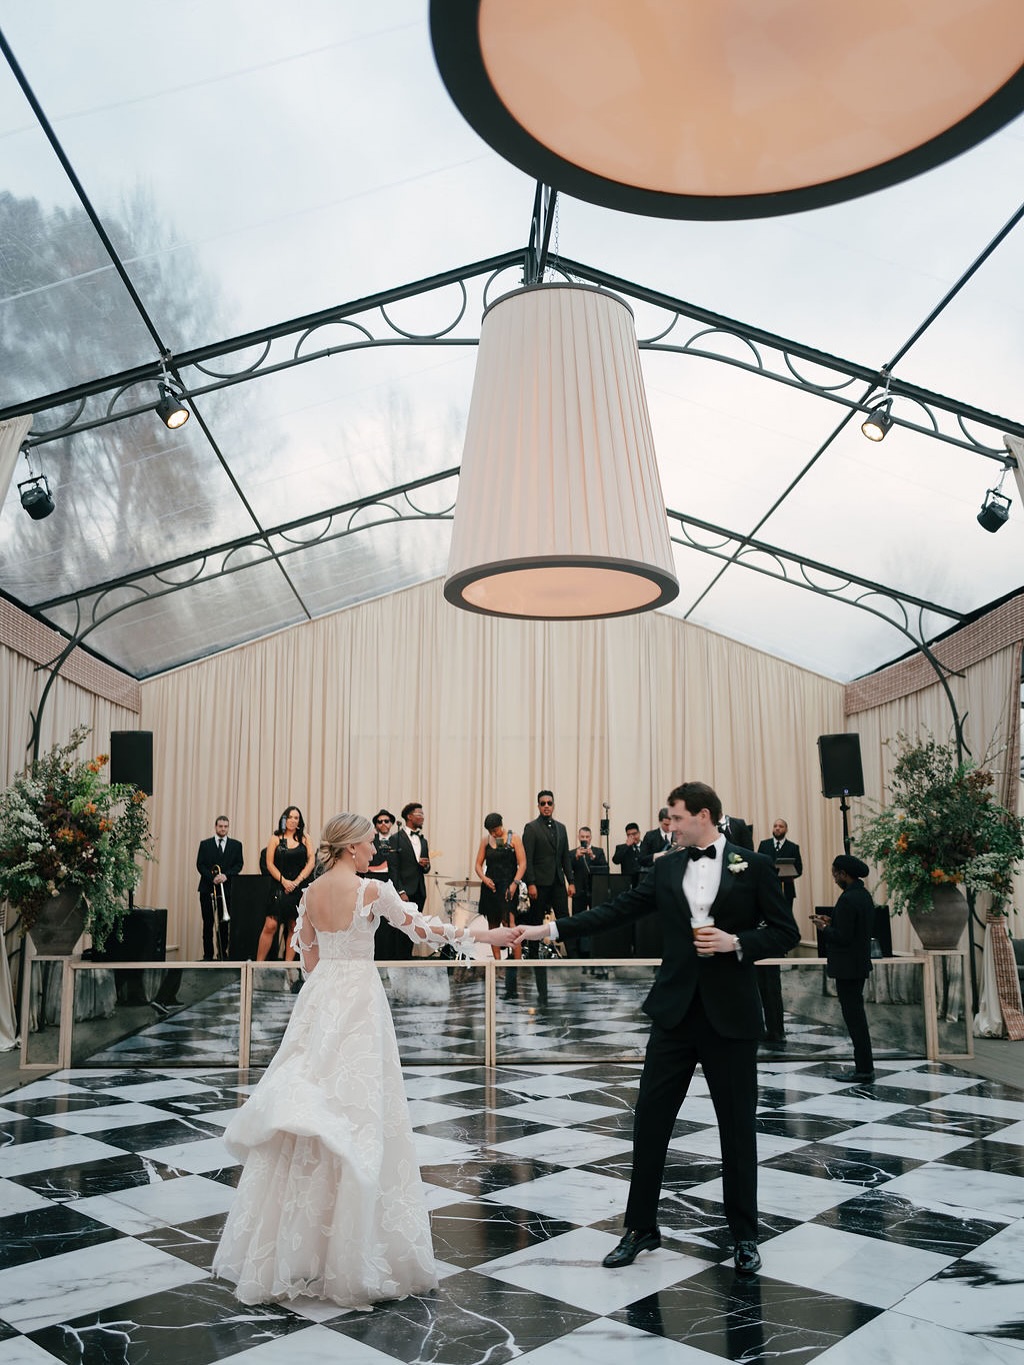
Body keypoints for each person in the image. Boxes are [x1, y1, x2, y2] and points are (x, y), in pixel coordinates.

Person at [213, 812, 516, 1309]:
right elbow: (425, 929)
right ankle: (351, 1249)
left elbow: (307, 959)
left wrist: (330, 979)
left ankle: (297, 1249)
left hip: (320, 1002)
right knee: (358, 1115)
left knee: (311, 1113)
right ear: (352, 847)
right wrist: (487, 938)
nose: (376, 847)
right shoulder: (372, 891)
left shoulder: (309, 894)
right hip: (358, 1004)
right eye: (369, 842)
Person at [518, 781, 798, 1275]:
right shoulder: (666, 864)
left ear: (704, 816)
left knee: (737, 1129)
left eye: (676, 817)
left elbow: (785, 932)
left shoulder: (752, 866)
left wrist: (736, 942)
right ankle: (641, 1227)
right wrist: (550, 929)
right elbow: (616, 911)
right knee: (649, 1123)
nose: (669, 825)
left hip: (731, 1018)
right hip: (673, 1014)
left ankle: (745, 1234)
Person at [812, 855, 876, 1084]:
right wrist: (832, 921)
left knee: (855, 1019)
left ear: (844, 874)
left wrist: (823, 928)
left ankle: (864, 1069)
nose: (834, 878)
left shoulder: (849, 898)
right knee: (856, 1017)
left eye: (835, 874)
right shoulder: (863, 895)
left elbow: (843, 937)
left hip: (848, 967)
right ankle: (865, 1067)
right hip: (858, 964)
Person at [521, 790, 574, 1005]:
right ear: (538, 805)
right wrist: (531, 882)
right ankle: (533, 958)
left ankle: (573, 959)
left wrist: (571, 881)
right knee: (535, 921)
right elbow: (528, 859)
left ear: (553, 805)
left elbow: (565, 858)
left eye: (549, 803)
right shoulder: (531, 828)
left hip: (557, 883)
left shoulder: (561, 828)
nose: (546, 806)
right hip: (539, 885)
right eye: (542, 803)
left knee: (566, 920)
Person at [755, 818, 802, 1044]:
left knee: (771, 988)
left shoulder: (793, 847)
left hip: (785, 890)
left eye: (781, 826)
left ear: (786, 829)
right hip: (769, 890)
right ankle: (766, 1028)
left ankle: (776, 1030)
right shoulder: (764, 845)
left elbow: (798, 868)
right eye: (774, 826)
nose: (777, 829)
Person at [256, 807, 315, 964]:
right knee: (270, 925)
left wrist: (296, 882)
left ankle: (287, 966)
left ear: (299, 821)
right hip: (278, 888)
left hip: (297, 888)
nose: (293, 820)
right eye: (290, 817)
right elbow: (269, 863)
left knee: (294, 926)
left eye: (296, 818)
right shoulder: (275, 838)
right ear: (284, 819)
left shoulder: (305, 838)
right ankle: (258, 966)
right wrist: (284, 881)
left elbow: (311, 862)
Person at [474, 813, 526, 978]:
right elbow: (477, 864)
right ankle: (497, 965)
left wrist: (514, 884)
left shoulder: (514, 838)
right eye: (490, 831)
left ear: (501, 825)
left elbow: (523, 863)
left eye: (495, 830)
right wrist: (484, 878)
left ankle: (516, 967)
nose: (494, 834)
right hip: (491, 887)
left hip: (508, 886)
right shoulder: (485, 841)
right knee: (493, 926)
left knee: (511, 925)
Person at [379, 802, 431, 960]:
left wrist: (426, 865)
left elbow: (425, 868)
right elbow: (393, 868)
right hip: (403, 892)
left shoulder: (423, 841)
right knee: (400, 930)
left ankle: (407, 962)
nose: (422, 817)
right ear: (409, 817)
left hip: (419, 891)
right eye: (419, 814)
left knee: (413, 930)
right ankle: (397, 964)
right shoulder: (396, 839)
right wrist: (400, 891)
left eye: (422, 814)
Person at [196, 816, 244, 960]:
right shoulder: (205, 844)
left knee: (224, 925)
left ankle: (223, 954)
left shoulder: (236, 845)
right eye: (220, 826)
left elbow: (239, 864)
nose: (223, 829)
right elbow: (200, 865)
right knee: (208, 924)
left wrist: (225, 876)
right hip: (207, 889)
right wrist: (213, 878)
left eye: (225, 826)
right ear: (215, 827)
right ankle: (208, 956)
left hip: (227, 890)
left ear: (228, 827)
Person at [570, 825, 608, 969]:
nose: (585, 839)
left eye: (587, 837)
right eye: (582, 837)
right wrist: (576, 857)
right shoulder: (572, 853)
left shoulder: (598, 852)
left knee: (597, 920)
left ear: (591, 837)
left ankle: (596, 951)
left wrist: (592, 857)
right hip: (579, 891)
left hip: (595, 891)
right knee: (577, 921)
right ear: (579, 838)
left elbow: (605, 869)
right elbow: (568, 868)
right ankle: (577, 954)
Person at [367, 808, 396, 882]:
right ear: (376, 825)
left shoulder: (398, 840)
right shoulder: (370, 840)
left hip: (394, 881)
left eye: (386, 821)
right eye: (380, 822)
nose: (383, 823)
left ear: (391, 823)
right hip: (373, 879)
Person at [612, 822, 644, 887]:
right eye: (629, 835)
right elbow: (615, 861)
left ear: (639, 833)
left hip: (644, 881)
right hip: (628, 883)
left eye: (634, 834)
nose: (632, 837)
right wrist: (627, 845)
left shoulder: (647, 846)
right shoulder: (621, 848)